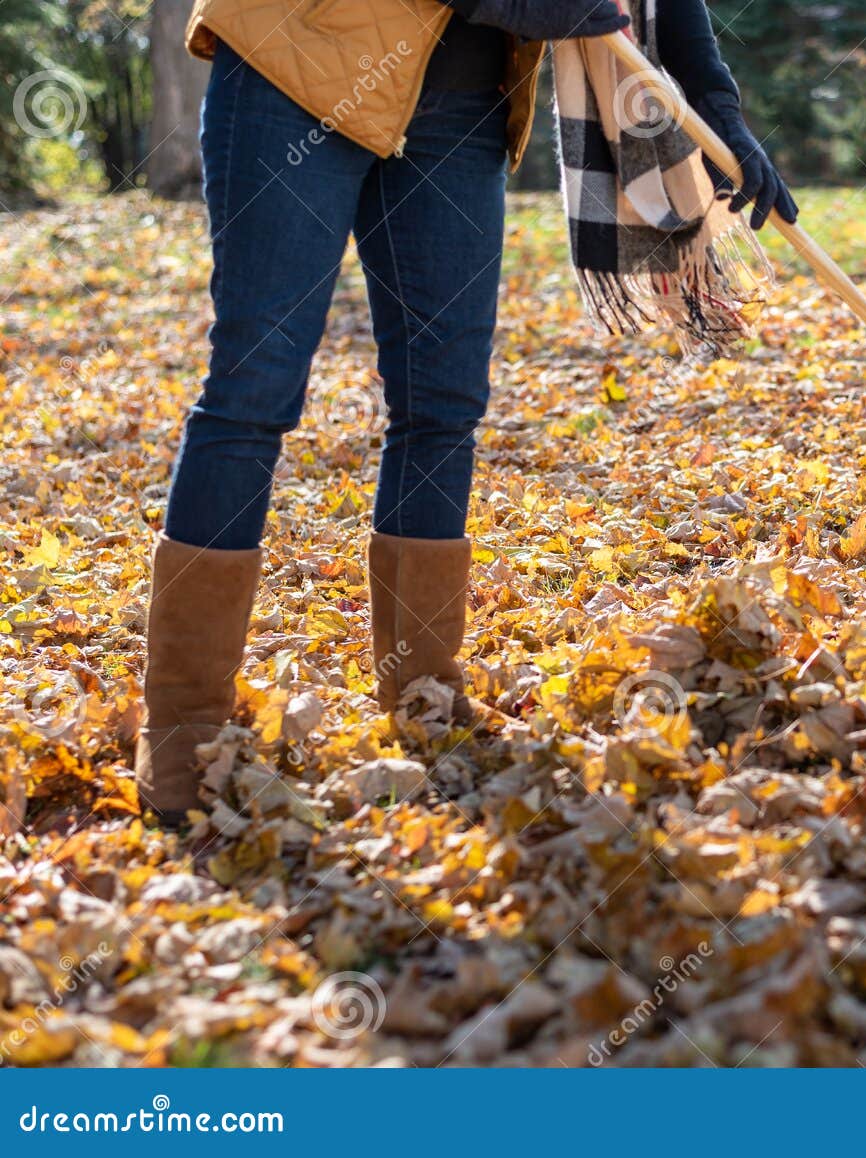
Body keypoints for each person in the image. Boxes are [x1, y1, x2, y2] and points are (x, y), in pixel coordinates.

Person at [137, 0, 796, 823]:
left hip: (463, 97)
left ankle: (423, 691)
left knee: (443, 401)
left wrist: (720, 116)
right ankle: (183, 728)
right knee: (253, 389)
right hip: (296, 59)